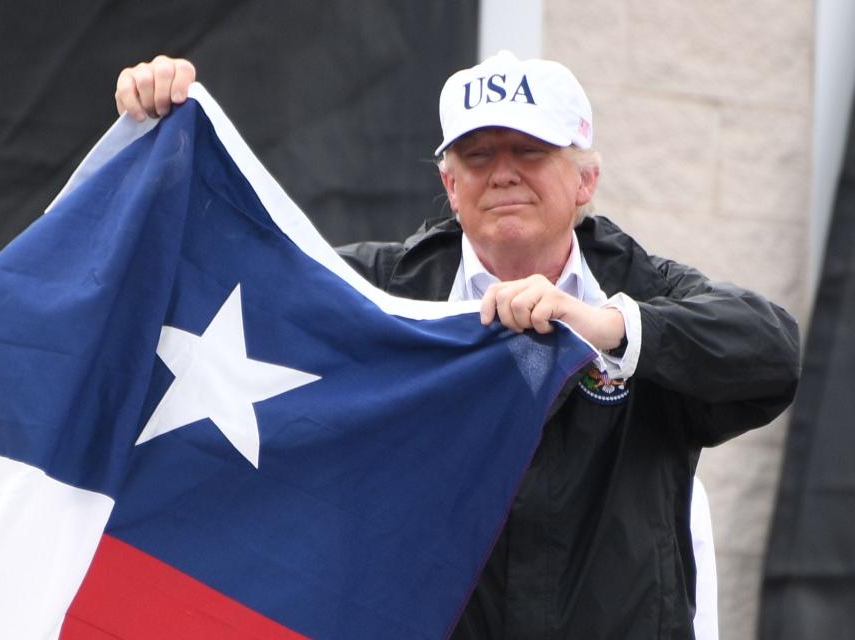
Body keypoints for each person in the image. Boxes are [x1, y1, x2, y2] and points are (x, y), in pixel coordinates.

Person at [114, 52, 799, 639]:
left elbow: (770, 350)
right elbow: (210, 283)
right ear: (449, 184)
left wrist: (608, 328)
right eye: (477, 155)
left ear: (585, 180)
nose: (502, 173)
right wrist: (160, 139)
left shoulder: (639, 289)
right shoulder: (376, 289)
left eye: (530, 151)